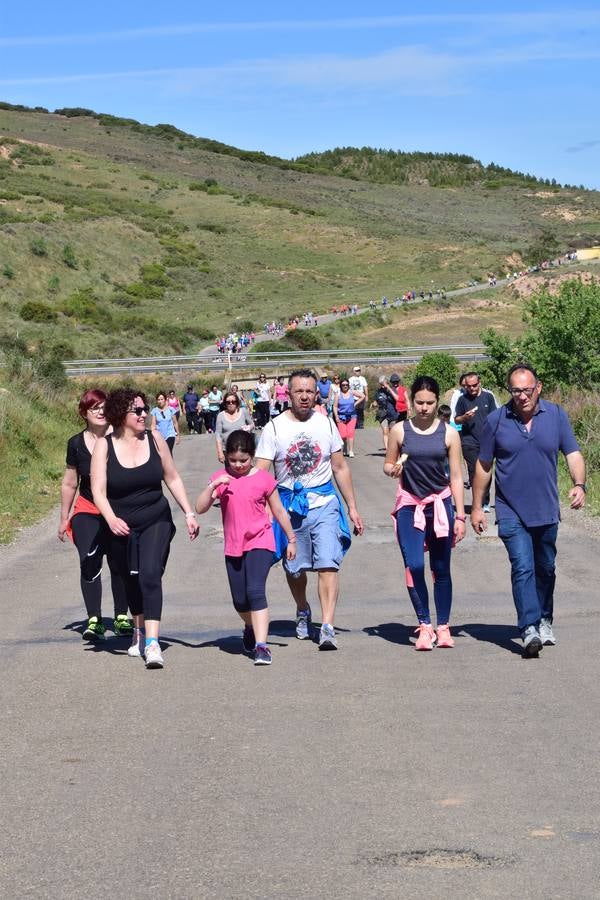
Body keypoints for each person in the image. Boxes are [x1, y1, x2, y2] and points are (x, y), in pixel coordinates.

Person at [471, 363, 586, 657]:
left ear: (539, 387)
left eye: (527, 389)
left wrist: (580, 484)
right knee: (522, 566)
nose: (522, 396)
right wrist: (476, 506)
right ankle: (529, 628)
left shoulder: (557, 416)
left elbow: (572, 453)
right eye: (515, 390)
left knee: (545, 568)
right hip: (510, 510)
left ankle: (545, 618)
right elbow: (484, 465)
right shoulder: (496, 421)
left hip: (546, 509)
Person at [256, 369, 364, 650]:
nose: (304, 396)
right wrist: (259, 514)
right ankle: (303, 608)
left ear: (317, 394)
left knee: (328, 563)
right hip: (289, 508)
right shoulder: (274, 428)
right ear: (288, 394)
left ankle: (327, 626)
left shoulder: (326, 424)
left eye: (309, 392)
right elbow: (262, 474)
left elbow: (339, 467)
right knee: (295, 569)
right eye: (298, 391)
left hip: (324, 503)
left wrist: (352, 507)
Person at [91, 389, 199, 669]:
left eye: (144, 409)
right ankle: (138, 631)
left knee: (150, 574)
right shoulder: (105, 446)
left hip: (156, 518)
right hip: (120, 524)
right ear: (119, 415)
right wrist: (111, 519)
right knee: (130, 579)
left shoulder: (156, 439)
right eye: (136, 411)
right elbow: (98, 492)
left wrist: (188, 512)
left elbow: (172, 477)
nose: (143, 415)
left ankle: (152, 642)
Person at [195, 430, 297, 665]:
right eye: (233, 460)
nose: (238, 465)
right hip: (234, 545)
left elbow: (279, 511)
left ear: (252, 456)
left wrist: (291, 539)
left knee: (255, 591)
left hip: (260, 541)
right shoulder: (222, 478)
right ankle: (250, 625)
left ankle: (262, 647)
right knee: (239, 600)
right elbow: (200, 508)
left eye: (243, 460)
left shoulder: (263, 478)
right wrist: (213, 485)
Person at [384, 376, 466, 651]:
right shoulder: (399, 430)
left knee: (440, 569)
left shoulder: (449, 433)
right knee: (415, 565)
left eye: (430, 403)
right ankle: (424, 625)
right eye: (419, 402)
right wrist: (392, 468)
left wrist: (460, 516)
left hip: (440, 505)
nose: (424, 408)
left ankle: (442, 626)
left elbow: (456, 476)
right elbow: (388, 463)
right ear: (411, 401)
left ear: (437, 402)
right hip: (410, 505)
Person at [58, 389, 132, 641]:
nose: (100, 412)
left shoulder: (121, 437)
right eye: (94, 408)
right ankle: (94, 619)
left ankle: (122, 616)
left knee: (119, 561)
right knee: (89, 559)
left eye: (104, 406)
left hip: (118, 509)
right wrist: (64, 517)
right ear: (84, 413)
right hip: (87, 509)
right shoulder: (76, 444)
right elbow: (70, 484)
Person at [454, 372, 497, 510]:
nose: (472, 388)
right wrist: (464, 418)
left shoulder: (488, 397)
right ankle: (476, 503)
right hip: (468, 440)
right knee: (473, 471)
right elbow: (456, 419)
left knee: (486, 470)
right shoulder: (462, 399)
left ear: (479, 383)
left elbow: (494, 417)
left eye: (474, 385)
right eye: (468, 386)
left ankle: (485, 501)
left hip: (486, 439)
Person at [215, 391, 254, 464]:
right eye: (228, 402)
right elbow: (218, 435)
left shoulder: (243, 411)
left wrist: (249, 427)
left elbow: (252, 424)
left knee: (245, 473)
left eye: (233, 401)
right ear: (224, 403)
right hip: (228, 451)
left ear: (237, 402)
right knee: (230, 474)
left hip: (244, 450)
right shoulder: (220, 416)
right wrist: (220, 453)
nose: (231, 403)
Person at [333, 376, 364, 458]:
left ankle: (351, 451)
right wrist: (336, 416)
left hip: (352, 416)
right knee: (343, 435)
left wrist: (355, 404)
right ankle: (344, 447)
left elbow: (362, 396)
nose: (345, 386)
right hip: (341, 416)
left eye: (346, 384)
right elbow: (335, 406)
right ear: (340, 386)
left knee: (350, 433)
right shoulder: (338, 395)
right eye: (343, 385)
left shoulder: (351, 392)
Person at [151, 391, 180, 455]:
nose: (160, 401)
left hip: (170, 434)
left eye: (161, 399)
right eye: (158, 399)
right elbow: (153, 425)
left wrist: (178, 435)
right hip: (160, 436)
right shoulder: (154, 411)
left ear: (165, 400)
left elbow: (175, 423)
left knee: (168, 452)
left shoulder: (171, 409)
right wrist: (153, 435)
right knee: (161, 454)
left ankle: (170, 464)